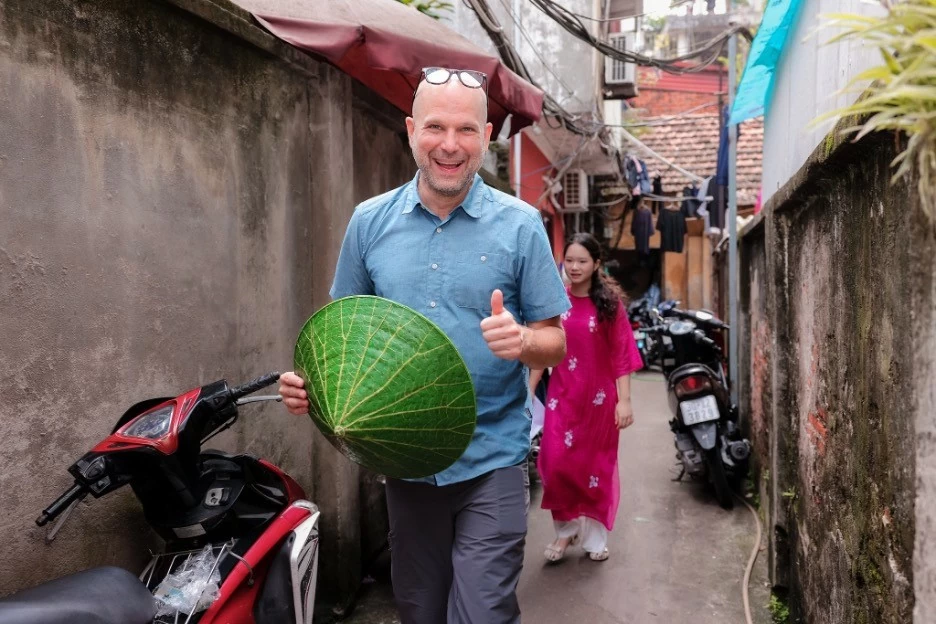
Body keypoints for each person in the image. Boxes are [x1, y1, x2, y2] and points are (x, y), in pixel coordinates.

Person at [278, 67, 569, 624]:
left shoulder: (521, 225)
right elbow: (346, 334)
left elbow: (555, 342)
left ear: (487, 138)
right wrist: (310, 385)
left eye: (466, 130)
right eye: (436, 126)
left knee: (482, 613)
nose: (450, 145)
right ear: (412, 130)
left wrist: (525, 339)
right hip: (405, 467)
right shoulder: (369, 223)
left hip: (494, 460)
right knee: (419, 610)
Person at [529, 233, 642, 563]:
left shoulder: (609, 305)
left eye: (583, 261)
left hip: (598, 402)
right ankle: (565, 532)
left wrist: (625, 400)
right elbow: (541, 348)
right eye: (570, 260)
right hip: (561, 399)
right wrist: (529, 390)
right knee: (553, 463)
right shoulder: (554, 301)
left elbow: (622, 353)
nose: (575, 267)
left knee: (595, 469)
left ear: (596, 264)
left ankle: (594, 537)